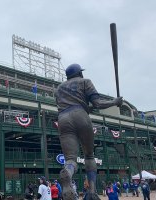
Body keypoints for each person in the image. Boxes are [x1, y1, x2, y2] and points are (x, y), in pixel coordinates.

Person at [55, 64, 123, 200]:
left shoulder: (59, 88)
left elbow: (79, 105)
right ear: (80, 73)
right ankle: (91, 191)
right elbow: (97, 104)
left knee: (70, 159)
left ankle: (68, 171)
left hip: (62, 118)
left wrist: (85, 107)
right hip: (80, 115)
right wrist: (114, 102)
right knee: (89, 156)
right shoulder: (85, 81)